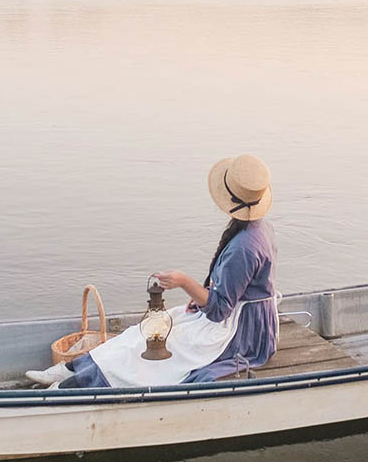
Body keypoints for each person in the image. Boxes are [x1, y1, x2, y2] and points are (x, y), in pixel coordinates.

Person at [26, 153, 278, 389]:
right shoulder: (257, 227)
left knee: (159, 349)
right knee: (142, 332)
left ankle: (76, 384)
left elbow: (220, 309)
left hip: (239, 332)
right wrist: (202, 294)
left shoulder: (244, 248)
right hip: (232, 316)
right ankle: (74, 368)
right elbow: (231, 289)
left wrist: (184, 281)